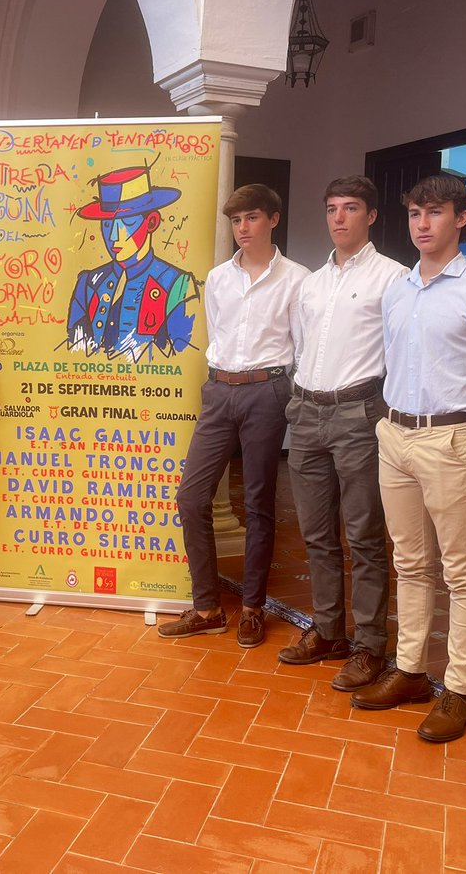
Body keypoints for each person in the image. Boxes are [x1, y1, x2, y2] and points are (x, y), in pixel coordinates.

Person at [350, 174, 466, 742]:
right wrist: (387, 424)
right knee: (410, 563)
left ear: (462, 219)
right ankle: (410, 672)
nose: (422, 224)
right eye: (414, 214)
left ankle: (460, 689)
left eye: (434, 213)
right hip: (395, 436)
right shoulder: (398, 290)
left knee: (463, 571)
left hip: (451, 439)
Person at [158, 185, 308, 648]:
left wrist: (285, 392)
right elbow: (215, 332)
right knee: (190, 496)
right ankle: (207, 607)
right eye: (236, 221)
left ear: (273, 220)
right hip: (220, 390)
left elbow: (302, 345)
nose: (243, 228)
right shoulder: (218, 278)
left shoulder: (298, 279)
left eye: (252, 218)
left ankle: (251, 609)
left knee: (259, 503)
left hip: (267, 390)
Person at [278, 176, 407, 691]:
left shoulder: (393, 278)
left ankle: (370, 644)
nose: (339, 218)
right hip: (306, 412)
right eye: (331, 208)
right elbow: (300, 346)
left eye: (350, 208)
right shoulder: (311, 282)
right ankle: (329, 630)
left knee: (365, 536)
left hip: (359, 414)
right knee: (315, 534)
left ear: (371, 216)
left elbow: (401, 353)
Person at [66, 165, 200, 364]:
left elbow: (182, 357)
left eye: (127, 223)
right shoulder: (88, 284)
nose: (113, 236)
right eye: (108, 224)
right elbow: (74, 353)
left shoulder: (178, 285)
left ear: (151, 223)